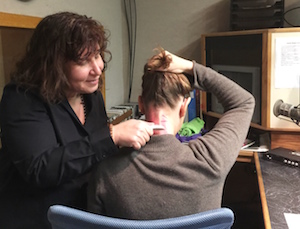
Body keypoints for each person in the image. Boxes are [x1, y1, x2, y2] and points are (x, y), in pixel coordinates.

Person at [0, 12, 154, 228]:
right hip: (36, 219)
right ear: (53, 64)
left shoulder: (91, 96)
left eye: (98, 55)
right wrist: (112, 136)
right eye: (84, 61)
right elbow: (40, 169)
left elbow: (93, 156)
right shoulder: (21, 98)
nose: (98, 67)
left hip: (83, 214)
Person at [87, 49, 255, 219]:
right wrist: (190, 67)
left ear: (141, 105)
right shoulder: (210, 159)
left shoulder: (105, 171)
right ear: (184, 106)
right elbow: (243, 102)